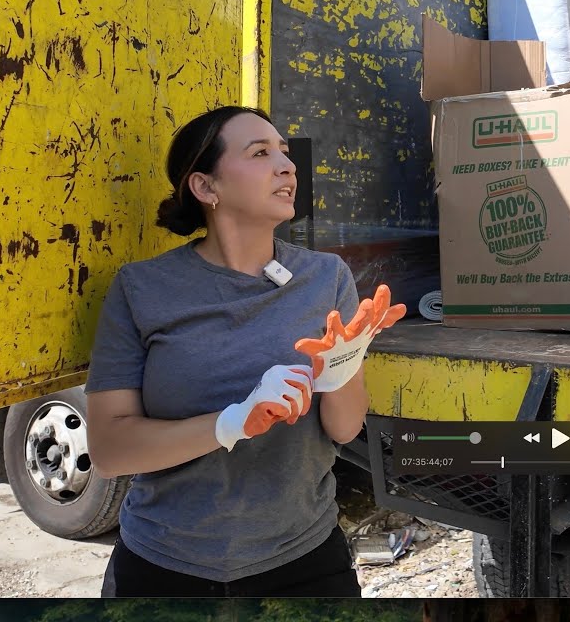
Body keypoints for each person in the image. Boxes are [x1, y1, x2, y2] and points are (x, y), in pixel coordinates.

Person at [85, 105, 383, 597]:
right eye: (260, 153)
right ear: (206, 187)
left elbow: (346, 428)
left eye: (284, 153)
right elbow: (110, 451)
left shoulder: (326, 277)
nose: (287, 166)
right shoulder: (142, 289)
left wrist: (341, 367)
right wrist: (232, 422)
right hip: (164, 562)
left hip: (304, 558)